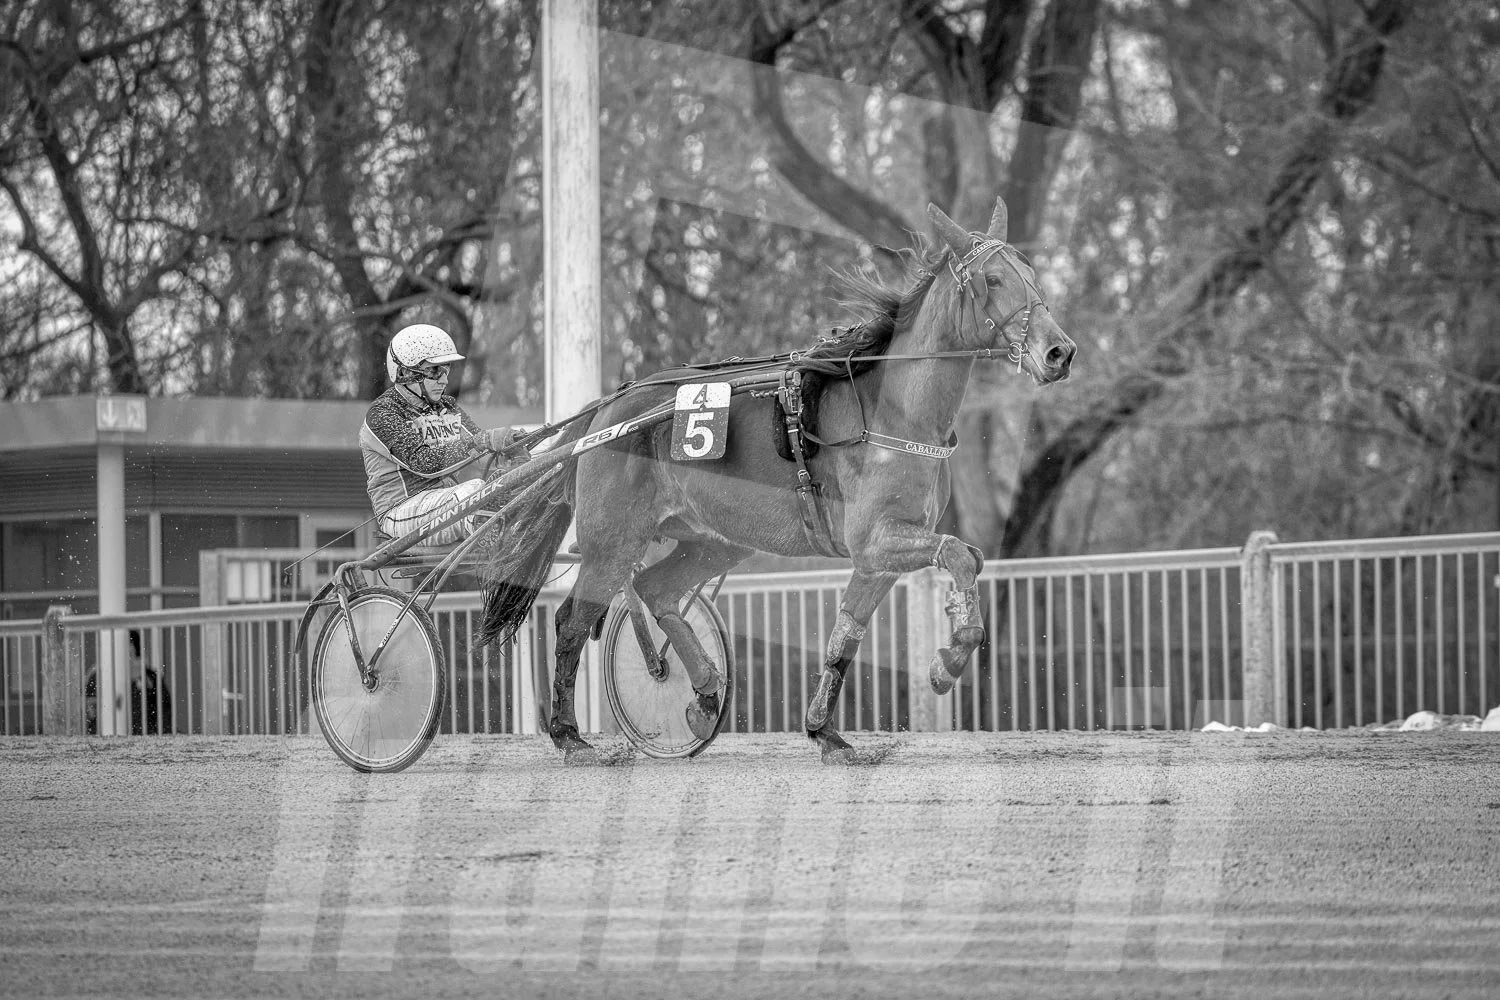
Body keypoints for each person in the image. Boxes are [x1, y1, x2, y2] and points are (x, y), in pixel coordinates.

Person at [360, 323, 529, 544]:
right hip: (401, 512)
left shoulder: (446, 406)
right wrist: (483, 441)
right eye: (434, 371)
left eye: (446, 370)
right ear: (404, 373)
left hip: (450, 503)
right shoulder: (383, 414)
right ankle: (495, 540)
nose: (445, 379)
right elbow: (424, 463)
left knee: (514, 480)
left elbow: (482, 453)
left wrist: (511, 449)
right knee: (476, 491)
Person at [85, 629, 172, 735]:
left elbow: (164, 712)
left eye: (128, 645)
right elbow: (90, 714)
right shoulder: (97, 676)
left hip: (145, 739)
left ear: (135, 649)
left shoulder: (150, 677)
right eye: (116, 646)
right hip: (105, 738)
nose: (121, 651)